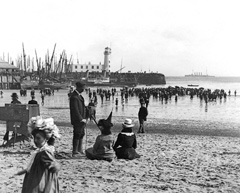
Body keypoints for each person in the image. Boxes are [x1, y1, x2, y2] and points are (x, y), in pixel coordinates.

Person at [15, 117, 60, 193]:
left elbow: (53, 164)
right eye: (34, 138)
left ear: (46, 139)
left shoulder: (45, 152)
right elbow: (32, 165)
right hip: (34, 178)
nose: (35, 140)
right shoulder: (39, 151)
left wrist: (55, 166)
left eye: (38, 138)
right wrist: (25, 171)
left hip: (39, 182)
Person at [70, 81, 88, 158]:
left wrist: (86, 116)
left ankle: (80, 150)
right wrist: (80, 119)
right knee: (77, 134)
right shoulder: (74, 97)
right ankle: (75, 151)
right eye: (83, 88)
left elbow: (83, 108)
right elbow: (75, 110)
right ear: (78, 87)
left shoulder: (79, 96)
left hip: (82, 119)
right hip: (77, 120)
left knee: (81, 134)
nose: (84, 89)